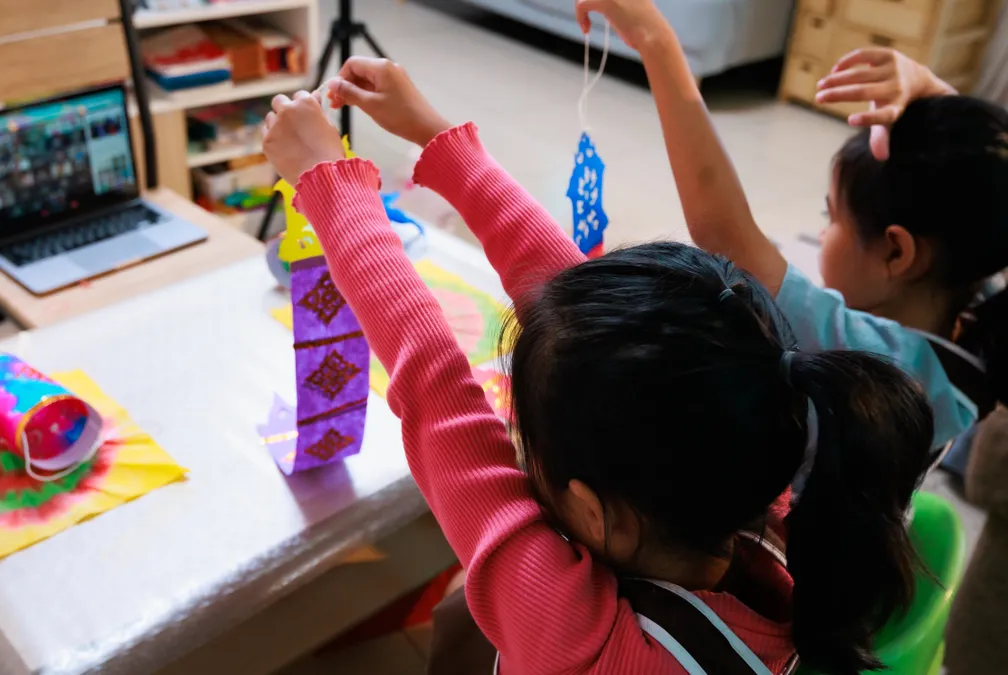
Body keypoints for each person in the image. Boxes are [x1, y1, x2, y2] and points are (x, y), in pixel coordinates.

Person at [262, 57, 934, 675]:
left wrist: (330, 186)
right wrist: (440, 141)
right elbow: (582, 324)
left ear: (589, 510)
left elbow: (437, 388)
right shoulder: (768, 498)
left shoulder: (581, 641)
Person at [586, 0, 1008, 460]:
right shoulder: (975, 301)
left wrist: (658, 43)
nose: (822, 235)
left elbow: (725, 233)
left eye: (832, 220)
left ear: (896, 253)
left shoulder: (870, 361)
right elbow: (987, 193)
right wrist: (935, 99)